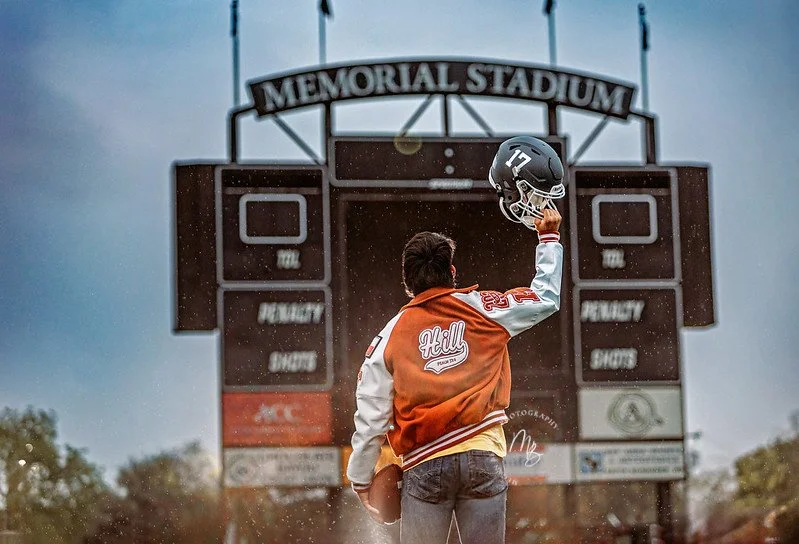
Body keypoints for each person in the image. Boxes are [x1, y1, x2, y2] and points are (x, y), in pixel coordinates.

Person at [346, 136, 565, 544]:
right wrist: (548, 239)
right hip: (484, 456)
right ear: (453, 271)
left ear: (407, 283)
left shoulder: (388, 337)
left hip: (424, 466)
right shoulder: (482, 307)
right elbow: (546, 298)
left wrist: (361, 481)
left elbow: (370, 418)